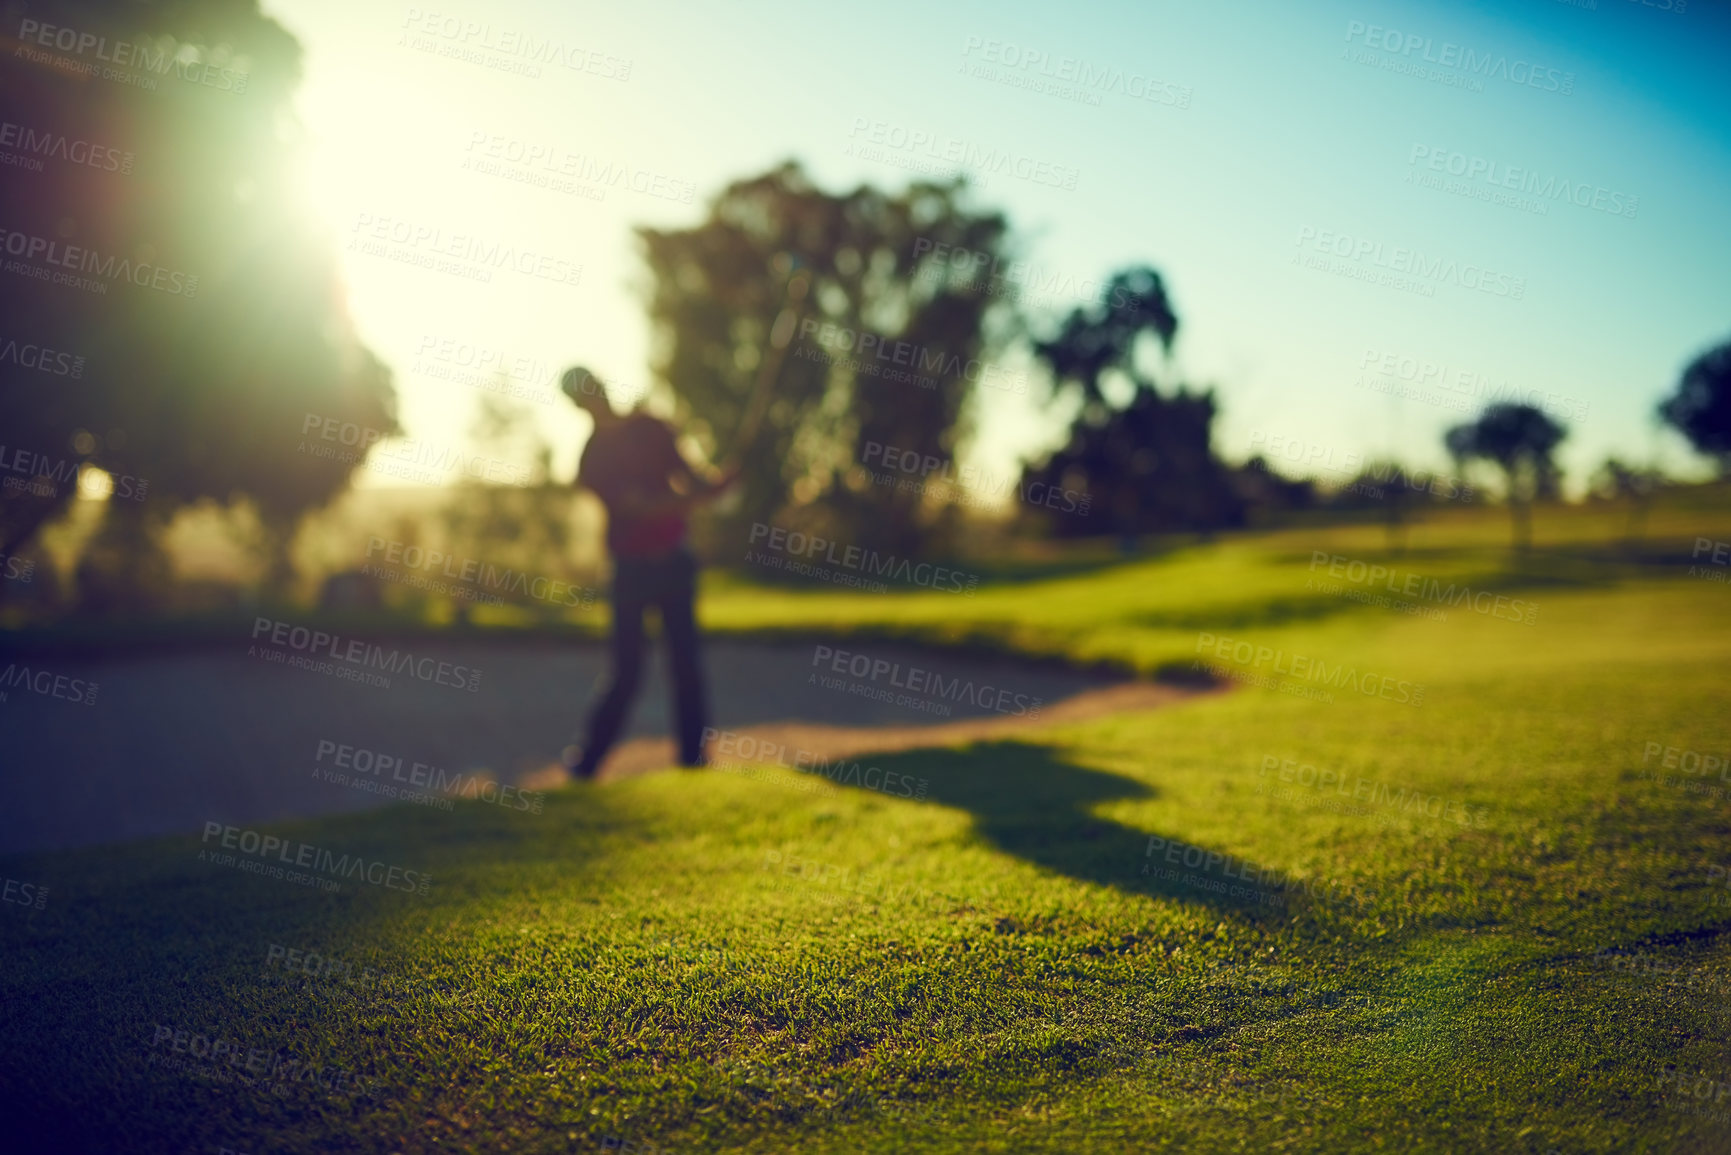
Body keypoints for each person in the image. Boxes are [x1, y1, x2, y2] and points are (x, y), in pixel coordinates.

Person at [560, 367, 737, 780]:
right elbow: (637, 506)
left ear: (601, 385)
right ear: (575, 404)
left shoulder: (653, 427)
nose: (591, 397)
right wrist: (696, 498)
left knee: (686, 664)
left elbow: (692, 479)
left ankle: (693, 759)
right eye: (580, 394)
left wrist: (717, 486)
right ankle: (588, 762)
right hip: (631, 571)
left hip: (675, 562)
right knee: (627, 670)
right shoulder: (592, 460)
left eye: (591, 386)